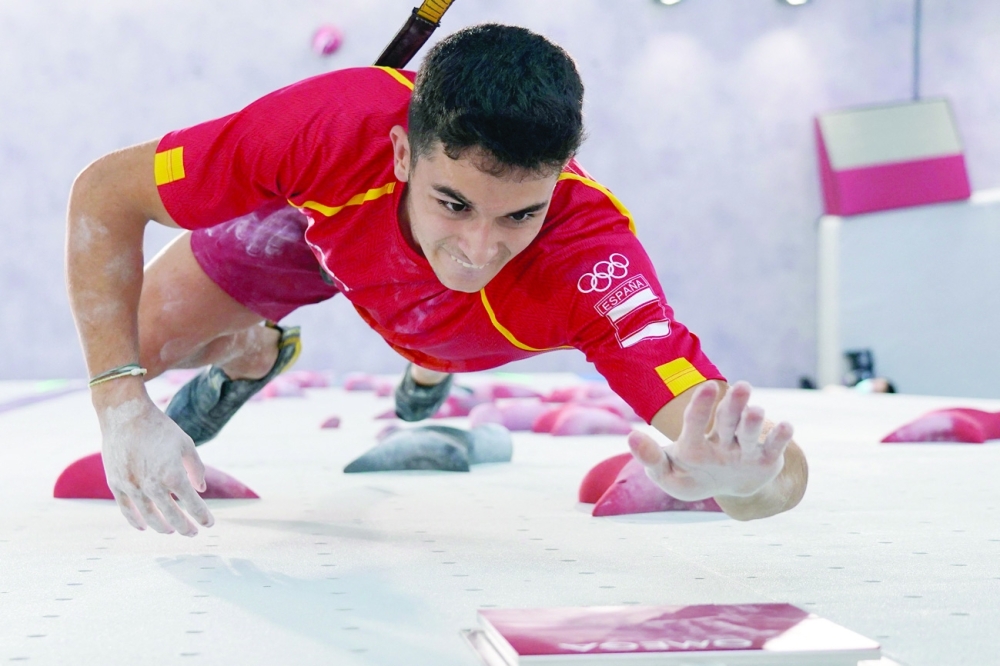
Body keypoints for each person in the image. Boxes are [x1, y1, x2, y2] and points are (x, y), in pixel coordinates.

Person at [66, 24, 807, 537]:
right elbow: (105, 191)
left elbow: (778, 473)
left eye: (520, 213)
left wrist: (745, 486)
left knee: (445, 322)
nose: (480, 249)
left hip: (461, 332)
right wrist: (120, 399)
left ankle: (426, 366)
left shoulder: (590, 261)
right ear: (399, 154)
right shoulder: (327, 124)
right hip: (317, 231)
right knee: (142, 340)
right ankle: (253, 351)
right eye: (454, 202)